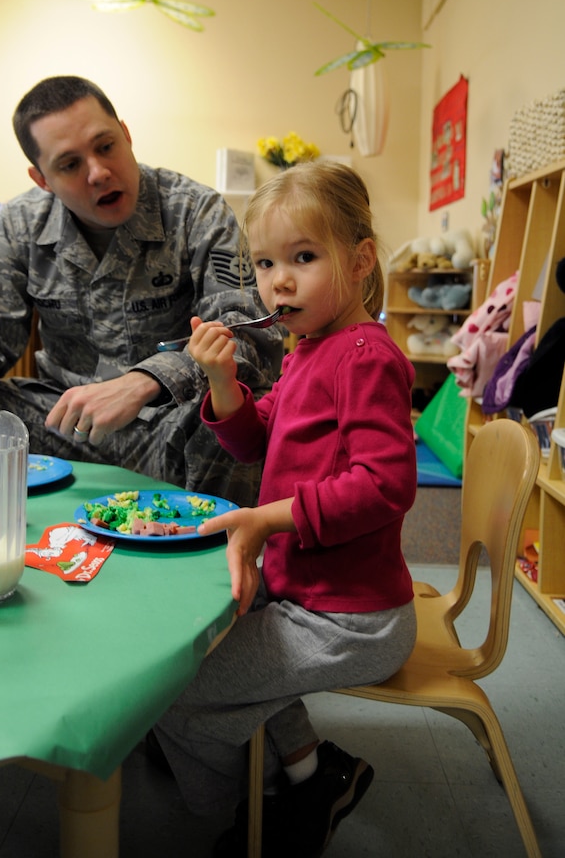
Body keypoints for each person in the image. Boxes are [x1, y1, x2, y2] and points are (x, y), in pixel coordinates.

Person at [151, 161, 417, 856]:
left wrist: (267, 519)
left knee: (174, 696)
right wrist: (219, 378)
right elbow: (252, 440)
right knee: (205, 650)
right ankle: (310, 776)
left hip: (351, 618)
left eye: (303, 257)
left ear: (359, 262)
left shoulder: (362, 356)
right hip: (307, 594)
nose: (280, 281)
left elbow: (384, 484)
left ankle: (254, 813)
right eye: (266, 263)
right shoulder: (307, 350)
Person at [0, 76, 282, 504]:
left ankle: (217, 556)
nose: (98, 173)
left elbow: (247, 334)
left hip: (174, 426)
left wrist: (146, 380)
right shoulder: (18, 225)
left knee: (234, 414)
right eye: (70, 164)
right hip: (63, 426)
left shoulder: (195, 211)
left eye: (106, 146)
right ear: (42, 179)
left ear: (127, 136)